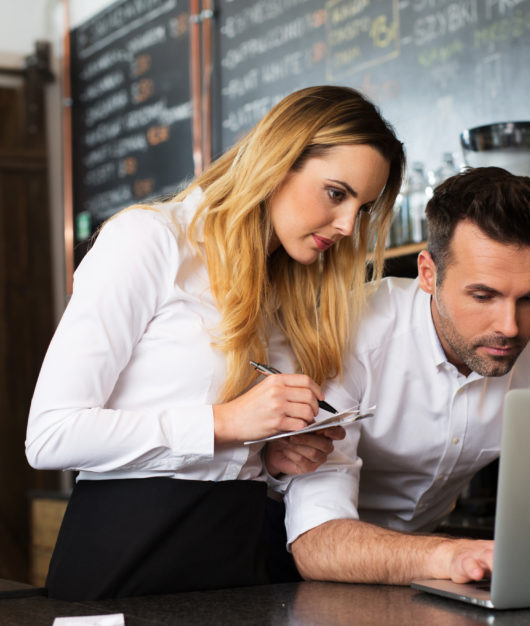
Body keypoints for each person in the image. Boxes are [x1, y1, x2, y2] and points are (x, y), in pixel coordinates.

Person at [25, 85, 405, 600]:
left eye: (362, 209)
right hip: (125, 559)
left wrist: (271, 460)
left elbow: (225, 456)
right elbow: (51, 436)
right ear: (278, 161)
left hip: (238, 563)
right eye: (336, 193)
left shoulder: (291, 288)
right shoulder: (150, 240)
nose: (345, 225)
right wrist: (227, 423)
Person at [268, 166, 530, 585]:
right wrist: (449, 555)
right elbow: (317, 543)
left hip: (426, 568)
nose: (510, 327)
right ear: (429, 274)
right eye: (483, 296)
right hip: (287, 568)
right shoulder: (350, 333)